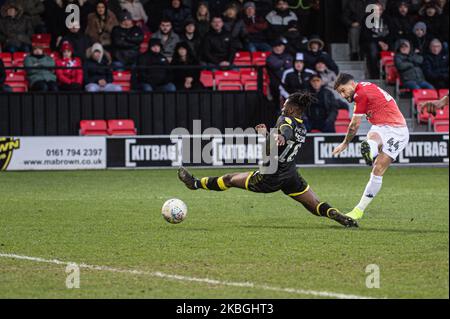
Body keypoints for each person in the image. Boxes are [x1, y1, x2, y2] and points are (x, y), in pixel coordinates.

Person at [178, 91, 358, 228]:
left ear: (293, 109)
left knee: (229, 179)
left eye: (285, 105)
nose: (283, 107)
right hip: (291, 174)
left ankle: (194, 183)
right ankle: (336, 214)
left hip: (270, 175)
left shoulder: (285, 119)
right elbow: (280, 140)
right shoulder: (303, 128)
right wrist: (270, 136)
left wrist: (279, 137)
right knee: (314, 205)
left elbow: (284, 131)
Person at [332, 73, 410, 220]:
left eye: (343, 90)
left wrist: (345, 143)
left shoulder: (360, 94)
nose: (342, 95)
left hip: (398, 131)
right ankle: (370, 150)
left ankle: (358, 210)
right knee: (372, 137)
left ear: (351, 84)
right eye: (339, 93)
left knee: (378, 168)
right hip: (380, 126)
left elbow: (354, 125)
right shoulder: (365, 87)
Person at [360, 1, 392, 78]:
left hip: (384, 43)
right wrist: (379, 42)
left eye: (380, 9)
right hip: (369, 43)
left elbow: (391, 34)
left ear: (382, 10)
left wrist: (387, 43)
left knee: (393, 47)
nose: (378, 12)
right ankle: (375, 75)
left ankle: (389, 75)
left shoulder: (387, 19)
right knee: (373, 50)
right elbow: (365, 36)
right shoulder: (367, 19)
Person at [266, 37, 292, 103]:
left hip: (288, 84)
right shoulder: (270, 57)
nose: (277, 48)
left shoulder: (288, 55)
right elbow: (275, 65)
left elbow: (289, 66)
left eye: (280, 46)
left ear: (283, 47)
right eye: (275, 46)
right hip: (275, 86)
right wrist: (284, 62)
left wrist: (282, 64)